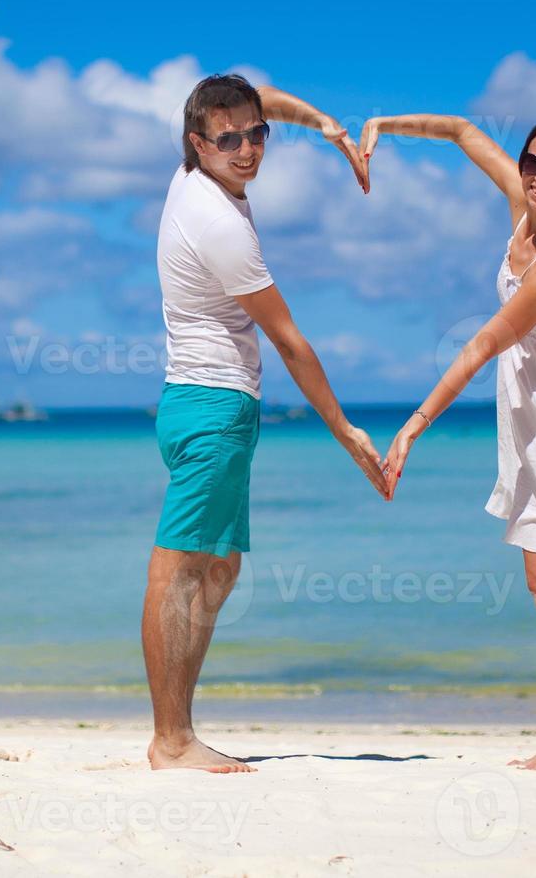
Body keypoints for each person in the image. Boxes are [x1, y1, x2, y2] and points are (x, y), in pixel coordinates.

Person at [363, 112, 536, 774]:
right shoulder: (525, 206)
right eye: (533, 162)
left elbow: (491, 338)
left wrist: (415, 422)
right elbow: (464, 133)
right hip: (527, 423)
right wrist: (385, 125)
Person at [143, 74, 388, 773]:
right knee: (180, 571)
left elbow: (262, 93)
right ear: (198, 144)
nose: (248, 150)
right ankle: (171, 740)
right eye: (229, 140)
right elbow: (290, 341)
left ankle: (178, 730)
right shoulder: (219, 224)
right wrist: (345, 431)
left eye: (257, 135)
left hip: (210, 405)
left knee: (218, 569)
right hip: (213, 406)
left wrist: (325, 126)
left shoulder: (189, 178)